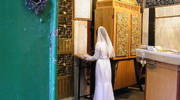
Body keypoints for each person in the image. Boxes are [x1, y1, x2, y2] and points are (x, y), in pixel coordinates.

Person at [81, 26, 115, 100]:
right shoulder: (107, 43)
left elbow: (95, 57)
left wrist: (86, 56)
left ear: (98, 34)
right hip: (107, 63)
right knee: (107, 81)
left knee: (100, 82)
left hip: (101, 65)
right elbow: (110, 55)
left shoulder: (98, 44)